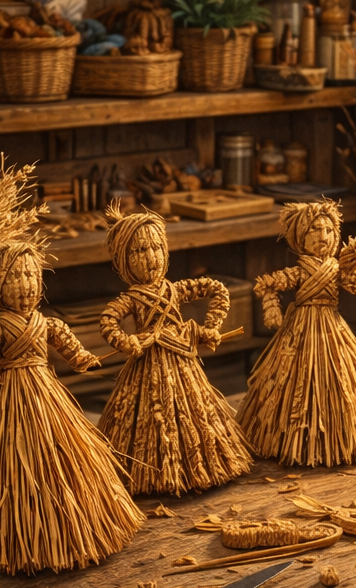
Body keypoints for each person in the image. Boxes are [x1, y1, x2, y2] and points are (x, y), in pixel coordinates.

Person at [0, 243, 143, 574]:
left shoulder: (46, 323)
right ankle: (10, 541)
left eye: (30, 275)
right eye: (14, 276)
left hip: (45, 393)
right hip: (10, 393)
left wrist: (81, 358)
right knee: (6, 456)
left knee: (63, 454)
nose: (25, 285)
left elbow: (69, 344)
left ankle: (80, 530)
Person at [237, 200, 356, 467]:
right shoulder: (298, 271)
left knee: (342, 377)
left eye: (329, 230)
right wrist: (272, 307)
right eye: (314, 230)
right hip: (301, 326)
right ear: (299, 237)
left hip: (332, 326)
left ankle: (344, 436)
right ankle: (291, 437)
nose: (323, 237)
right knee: (295, 379)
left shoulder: (336, 267)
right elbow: (268, 285)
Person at [98, 205, 252, 496]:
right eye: (140, 250)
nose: (151, 257)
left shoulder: (174, 289)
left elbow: (217, 289)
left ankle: (202, 467)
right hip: (148, 366)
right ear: (124, 260)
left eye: (157, 247)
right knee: (149, 420)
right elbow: (108, 321)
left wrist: (212, 326)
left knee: (194, 414)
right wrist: (125, 341)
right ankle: (152, 474)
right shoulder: (132, 298)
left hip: (182, 365)